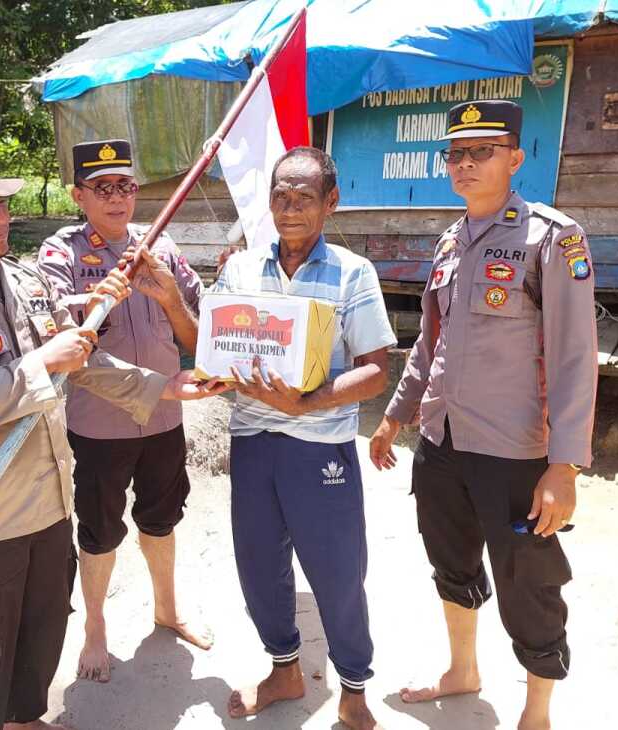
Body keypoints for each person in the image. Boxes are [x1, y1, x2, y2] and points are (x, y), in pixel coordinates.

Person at [0, 147, 225, 730]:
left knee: (41, 633)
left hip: (47, 500)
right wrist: (43, 363)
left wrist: (162, 389)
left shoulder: (21, 280)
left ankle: (25, 719)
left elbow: (81, 360)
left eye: (0, 204)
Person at [368, 100, 598, 730]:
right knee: (451, 558)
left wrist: (566, 466)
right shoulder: (451, 240)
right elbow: (429, 342)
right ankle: (462, 670)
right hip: (441, 442)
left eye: (482, 152)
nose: (465, 164)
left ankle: (537, 712)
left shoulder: (552, 237)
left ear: (515, 158)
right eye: (456, 154)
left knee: (530, 581)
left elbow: (578, 355)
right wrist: (395, 414)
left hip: (514, 452)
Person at [210, 146, 395, 730]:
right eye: (280, 196)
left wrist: (307, 400)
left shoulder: (352, 272)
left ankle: (354, 687)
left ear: (330, 203)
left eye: (304, 197)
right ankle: (284, 668)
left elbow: (374, 369)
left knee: (338, 570)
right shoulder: (239, 269)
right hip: (253, 441)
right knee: (259, 564)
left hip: (319, 447)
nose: (290, 208)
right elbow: (213, 347)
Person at [37, 139, 209, 683]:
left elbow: (197, 337)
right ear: (78, 195)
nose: (117, 198)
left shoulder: (162, 247)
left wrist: (167, 299)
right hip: (101, 425)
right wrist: (93, 305)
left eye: (126, 186)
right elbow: (67, 350)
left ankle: (167, 608)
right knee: (100, 530)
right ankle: (94, 628)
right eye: (102, 188)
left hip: (164, 421)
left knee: (162, 518)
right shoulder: (58, 256)